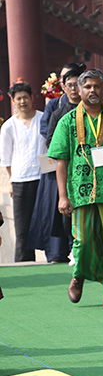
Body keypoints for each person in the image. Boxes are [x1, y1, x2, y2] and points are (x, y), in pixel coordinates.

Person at [48, 68, 103, 311]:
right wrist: (63, 196)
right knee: (83, 241)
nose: (93, 91)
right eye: (88, 87)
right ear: (79, 90)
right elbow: (61, 160)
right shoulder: (67, 122)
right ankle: (79, 275)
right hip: (81, 192)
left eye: (97, 86)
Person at [29, 64, 84, 262]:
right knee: (60, 209)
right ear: (63, 85)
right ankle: (62, 251)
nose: (74, 88)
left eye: (78, 84)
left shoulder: (92, 109)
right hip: (60, 166)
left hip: (86, 168)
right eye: (70, 84)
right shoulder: (55, 108)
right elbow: (49, 137)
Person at [0, 82, 45, 261]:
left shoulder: (43, 119)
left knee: (46, 222)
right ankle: (23, 262)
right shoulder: (9, 126)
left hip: (43, 178)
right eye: (18, 98)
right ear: (13, 101)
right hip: (20, 180)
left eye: (25, 97)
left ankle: (55, 258)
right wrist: (11, 181)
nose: (23, 101)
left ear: (31, 97)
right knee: (22, 227)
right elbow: (6, 157)